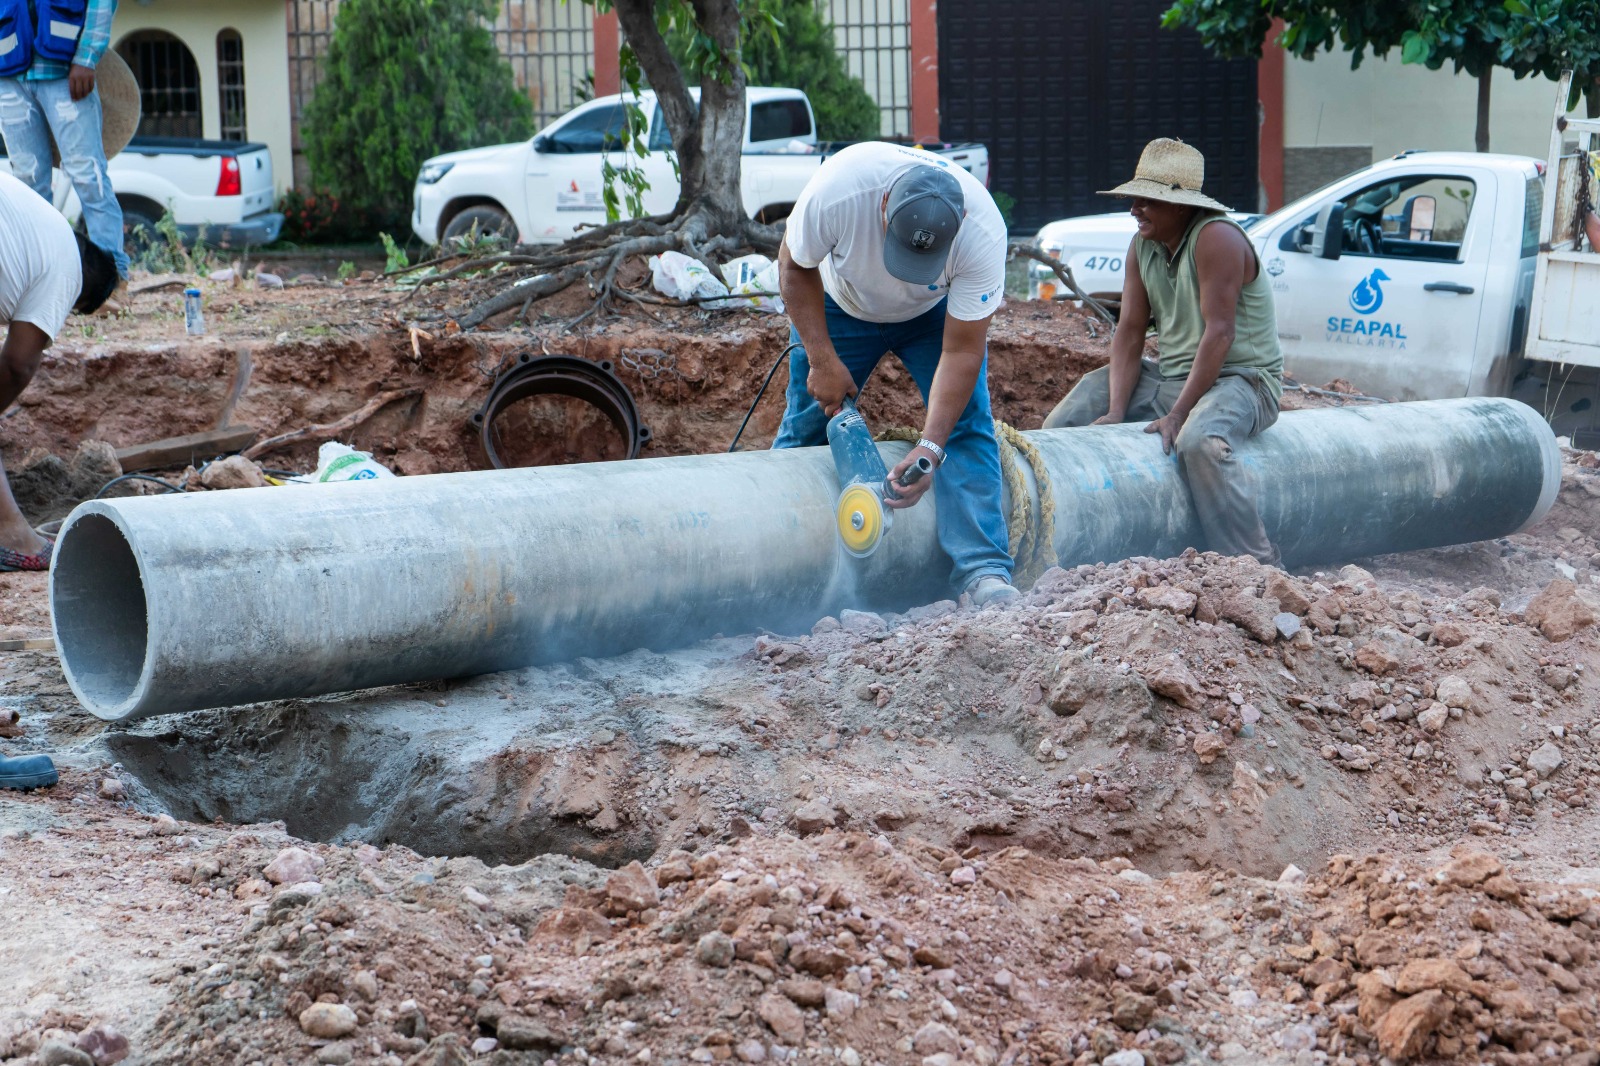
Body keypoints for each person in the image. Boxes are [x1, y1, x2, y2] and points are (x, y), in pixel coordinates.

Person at [774, 142, 1017, 606]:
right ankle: (779, 560)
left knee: (963, 427)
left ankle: (984, 569)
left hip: (931, 318)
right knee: (806, 427)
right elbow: (793, 264)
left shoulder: (983, 233)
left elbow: (964, 350)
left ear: (958, 224)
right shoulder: (840, 189)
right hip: (838, 305)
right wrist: (822, 359)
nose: (905, 273)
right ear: (884, 204)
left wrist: (929, 448)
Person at [1043, 138, 1283, 565]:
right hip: (1174, 378)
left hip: (1242, 381)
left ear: (1181, 206)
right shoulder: (1143, 245)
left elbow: (1220, 334)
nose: (1135, 208)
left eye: (1146, 200)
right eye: (1133, 199)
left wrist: (1177, 415)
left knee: (1201, 443)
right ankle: (1055, 544)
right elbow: (1131, 330)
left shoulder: (1217, 238)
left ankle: (1256, 564)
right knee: (1069, 417)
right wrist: (1117, 411)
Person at [0, 170, 115, 790]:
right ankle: (17, 540)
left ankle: (15, 535)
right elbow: (20, 360)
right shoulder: (65, 265)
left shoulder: (31, 213)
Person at [0, 0, 132, 284]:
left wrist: (86, 57)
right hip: (8, 74)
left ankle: (112, 280)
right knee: (28, 186)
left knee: (89, 176)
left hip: (64, 72)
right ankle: (39, 280)